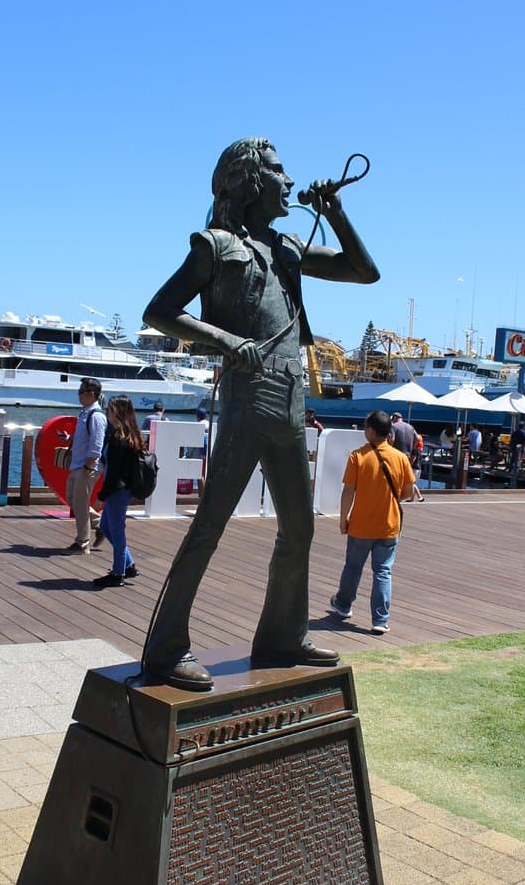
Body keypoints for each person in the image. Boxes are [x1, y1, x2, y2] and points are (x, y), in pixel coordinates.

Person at [140, 136, 379, 690]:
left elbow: (364, 271)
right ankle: (165, 647)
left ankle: (281, 635)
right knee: (209, 526)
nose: (290, 180)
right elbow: (159, 311)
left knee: (299, 528)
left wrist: (336, 213)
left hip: (292, 398)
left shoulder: (288, 249)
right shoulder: (217, 246)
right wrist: (227, 341)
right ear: (250, 182)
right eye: (278, 170)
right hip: (248, 397)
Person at [329, 410, 413, 634]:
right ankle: (380, 619)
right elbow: (407, 493)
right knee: (383, 571)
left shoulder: (358, 456)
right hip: (389, 525)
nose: (364, 430)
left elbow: (349, 490)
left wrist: (343, 518)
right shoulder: (401, 458)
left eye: (366, 427)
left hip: (361, 525)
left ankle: (344, 605)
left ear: (372, 430)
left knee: (353, 568)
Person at [93, 396, 141, 588]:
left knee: (117, 532)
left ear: (119, 412)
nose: (108, 413)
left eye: (111, 410)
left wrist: (101, 497)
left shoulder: (118, 439)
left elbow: (113, 473)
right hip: (123, 490)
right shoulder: (130, 435)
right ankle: (127, 565)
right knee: (106, 527)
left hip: (117, 492)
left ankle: (118, 572)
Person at [63, 378, 107, 553]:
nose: (79, 394)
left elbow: (96, 444)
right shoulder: (85, 413)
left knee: (80, 504)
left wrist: (89, 467)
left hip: (86, 467)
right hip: (78, 465)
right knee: (72, 498)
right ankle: (100, 525)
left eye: (81, 391)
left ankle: (82, 543)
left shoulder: (96, 416)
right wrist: (69, 438)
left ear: (91, 394)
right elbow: (84, 437)